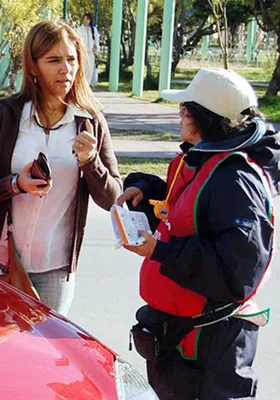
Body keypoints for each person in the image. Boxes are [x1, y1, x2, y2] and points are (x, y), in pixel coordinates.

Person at [117, 68, 280, 399]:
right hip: (184, 338)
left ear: (205, 119)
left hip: (210, 346)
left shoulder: (234, 179)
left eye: (184, 110)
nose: (179, 117)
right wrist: (144, 189)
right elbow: (188, 211)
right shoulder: (204, 160)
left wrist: (160, 252)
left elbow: (239, 274)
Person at [0, 20, 122, 316]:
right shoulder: (5, 116)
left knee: (44, 354)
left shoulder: (89, 121)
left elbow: (113, 198)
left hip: (55, 270)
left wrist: (90, 162)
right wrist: (14, 184)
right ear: (33, 66)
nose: (66, 69)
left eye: (72, 59)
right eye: (54, 60)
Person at [75, 13, 100, 88]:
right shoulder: (79, 29)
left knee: (90, 70)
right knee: (82, 69)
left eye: (88, 19)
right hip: (82, 52)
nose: (86, 21)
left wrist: (97, 50)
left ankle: (87, 86)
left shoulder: (93, 30)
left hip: (91, 53)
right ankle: (80, 85)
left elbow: (96, 41)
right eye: (84, 19)